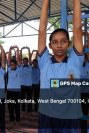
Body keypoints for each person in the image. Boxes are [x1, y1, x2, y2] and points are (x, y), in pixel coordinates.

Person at [38, 0, 83, 132]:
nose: (59, 45)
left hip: (71, 118)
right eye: (55, 42)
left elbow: (77, 28)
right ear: (50, 45)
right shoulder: (44, 62)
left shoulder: (75, 62)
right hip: (47, 117)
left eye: (63, 41)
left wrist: (76, 2)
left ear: (68, 43)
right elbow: (41, 31)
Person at [7, 45, 21, 122]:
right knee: (10, 106)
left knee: (17, 106)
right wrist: (10, 49)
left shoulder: (19, 69)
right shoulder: (9, 69)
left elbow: (18, 59)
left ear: (16, 65)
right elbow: (9, 59)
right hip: (9, 91)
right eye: (11, 64)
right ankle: (12, 118)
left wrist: (18, 49)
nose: (11, 65)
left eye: (13, 64)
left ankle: (18, 119)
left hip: (17, 92)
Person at [20, 46, 33, 114]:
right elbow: (19, 58)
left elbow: (30, 58)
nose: (24, 62)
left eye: (26, 61)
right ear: (22, 62)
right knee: (22, 98)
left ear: (28, 61)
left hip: (29, 85)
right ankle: (23, 108)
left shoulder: (30, 67)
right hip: (22, 85)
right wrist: (21, 50)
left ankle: (29, 109)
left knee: (29, 98)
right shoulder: (20, 67)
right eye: (23, 61)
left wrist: (28, 49)